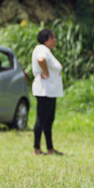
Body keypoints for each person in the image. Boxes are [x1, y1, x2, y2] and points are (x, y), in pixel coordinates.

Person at [31, 28, 64, 156]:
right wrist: (45, 71)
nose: (55, 40)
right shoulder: (41, 49)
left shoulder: (46, 50)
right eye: (53, 37)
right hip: (44, 90)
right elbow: (41, 60)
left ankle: (50, 148)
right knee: (41, 119)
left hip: (50, 91)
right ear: (46, 39)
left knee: (48, 120)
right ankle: (37, 149)